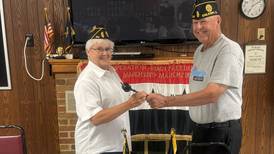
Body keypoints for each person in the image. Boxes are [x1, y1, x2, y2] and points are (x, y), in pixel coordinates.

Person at [147, 0, 244, 154]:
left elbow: (212, 94)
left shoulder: (229, 49)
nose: (198, 27)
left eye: (203, 22)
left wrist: (166, 100)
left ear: (218, 20)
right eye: (195, 22)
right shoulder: (200, 50)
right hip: (200, 130)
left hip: (221, 131)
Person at [74, 25, 147, 154]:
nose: (105, 53)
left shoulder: (111, 72)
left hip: (117, 146)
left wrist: (144, 97)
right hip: (97, 149)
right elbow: (96, 118)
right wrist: (130, 103)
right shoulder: (87, 80)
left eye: (108, 49)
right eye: (99, 49)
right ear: (88, 52)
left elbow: (120, 101)